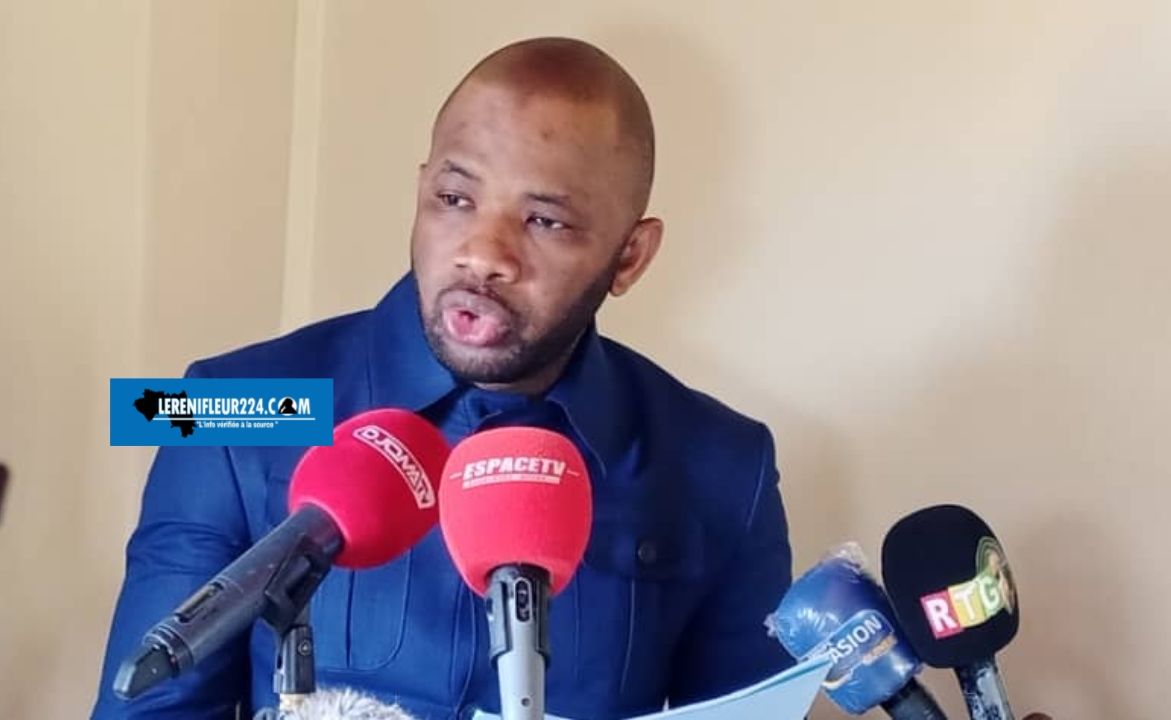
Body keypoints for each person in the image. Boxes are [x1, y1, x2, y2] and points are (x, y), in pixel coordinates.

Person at [92, 36, 1048, 720]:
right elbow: (143, 705)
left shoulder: (728, 465)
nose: (484, 252)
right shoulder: (220, 403)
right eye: (454, 197)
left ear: (630, 257)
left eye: (544, 221)